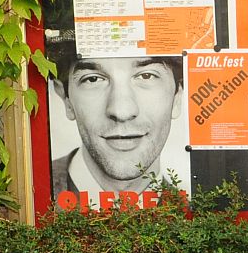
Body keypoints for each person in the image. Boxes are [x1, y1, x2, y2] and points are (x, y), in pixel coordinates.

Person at [47, 35, 184, 196]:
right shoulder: (30, 198)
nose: (121, 112)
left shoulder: (199, 209)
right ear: (66, 99)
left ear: (177, 97)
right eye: (93, 79)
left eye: (146, 76)